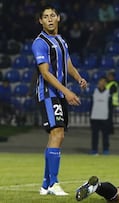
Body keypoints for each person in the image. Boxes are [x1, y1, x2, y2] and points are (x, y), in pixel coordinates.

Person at [32, 5, 87, 196]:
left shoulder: (61, 40)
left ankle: (46, 185)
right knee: (58, 134)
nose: (49, 19)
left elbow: (67, 62)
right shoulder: (40, 43)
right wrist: (67, 91)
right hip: (49, 94)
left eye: (52, 15)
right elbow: (45, 73)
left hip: (59, 94)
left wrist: (78, 78)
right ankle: (54, 183)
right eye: (45, 16)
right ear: (40, 21)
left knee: (56, 135)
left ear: (58, 18)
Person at [90, 77, 112, 155]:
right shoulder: (94, 91)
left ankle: (105, 150)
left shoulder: (108, 92)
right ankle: (94, 150)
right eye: (100, 81)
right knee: (94, 135)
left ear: (105, 83)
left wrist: (110, 118)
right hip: (95, 116)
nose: (102, 83)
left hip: (104, 117)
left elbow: (110, 106)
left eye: (103, 82)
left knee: (105, 135)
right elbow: (91, 104)